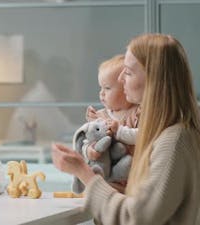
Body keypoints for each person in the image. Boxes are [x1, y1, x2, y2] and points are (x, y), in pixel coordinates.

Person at [52, 33, 200, 224]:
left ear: (153, 80)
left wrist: (84, 173)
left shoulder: (173, 142)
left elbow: (136, 218)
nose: (121, 79)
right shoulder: (167, 131)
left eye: (128, 72)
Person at [83, 54, 140, 191]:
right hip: (106, 178)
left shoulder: (136, 113)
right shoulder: (100, 115)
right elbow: (87, 141)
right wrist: (89, 151)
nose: (101, 94)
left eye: (107, 88)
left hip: (131, 182)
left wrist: (118, 130)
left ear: (125, 88)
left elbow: (143, 136)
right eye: (100, 88)